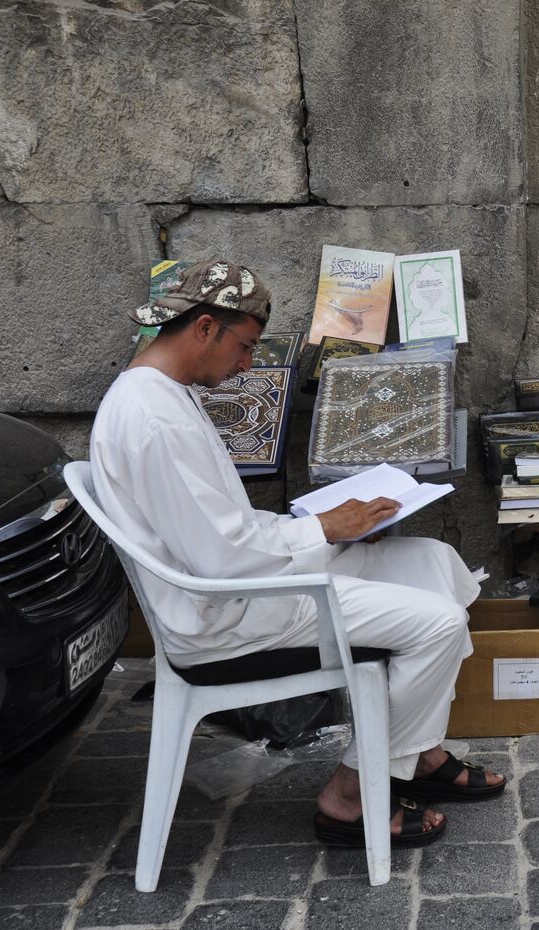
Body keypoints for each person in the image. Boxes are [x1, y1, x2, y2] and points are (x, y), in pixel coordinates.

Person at [89, 259, 504, 849]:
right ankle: (352, 793)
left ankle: (419, 751)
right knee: (438, 625)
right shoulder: (154, 419)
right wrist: (324, 530)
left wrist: (321, 525)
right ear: (205, 327)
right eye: (246, 346)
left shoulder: (163, 396)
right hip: (229, 613)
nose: (247, 364)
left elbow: (217, 530)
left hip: (244, 579)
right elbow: (223, 560)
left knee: (433, 562)